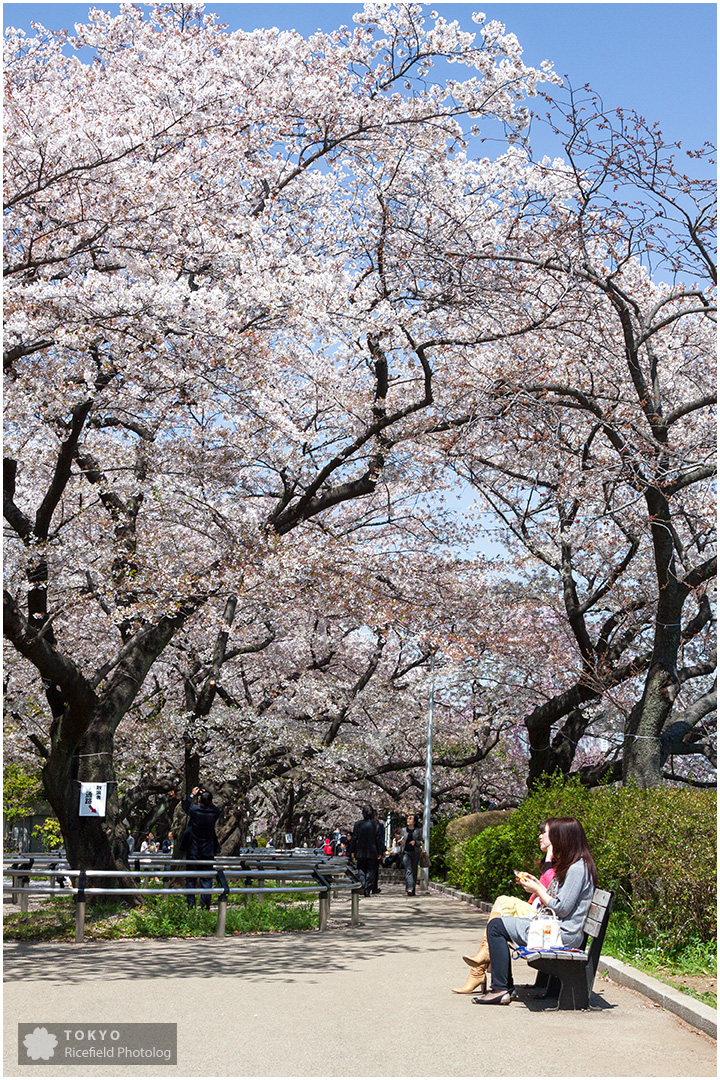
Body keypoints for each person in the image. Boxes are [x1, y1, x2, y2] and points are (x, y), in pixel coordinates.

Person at [473, 817, 598, 1006]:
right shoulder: (574, 865)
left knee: (496, 926)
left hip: (562, 934)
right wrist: (538, 884)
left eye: (551, 835)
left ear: (563, 838)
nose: (545, 838)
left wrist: (538, 890)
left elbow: (562, 909)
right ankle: (503, 987)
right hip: (557, 929)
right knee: (498, 925)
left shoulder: (577, 869)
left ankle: (500, 988)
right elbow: (560, 901)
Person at [452, 818, 555, 994]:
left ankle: (480, 967)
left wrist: (549, 856)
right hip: (537, 909)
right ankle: (481, 965)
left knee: (502, 904)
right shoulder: (556, 861)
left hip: (542, 915)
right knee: (501, 903)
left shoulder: (563, 861)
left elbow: (549, 886)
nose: (540, 836)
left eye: (544, 833)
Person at [181, 786, 221, 910]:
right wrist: (207, 796)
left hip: (193, 849)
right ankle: (205, 907)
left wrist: (192, 795)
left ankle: (191, 906)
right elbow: (215, 808)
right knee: (206, 880)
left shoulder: (195, 811)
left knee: (191, 879)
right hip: (208, 850)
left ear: (199, 801)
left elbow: (184, 806)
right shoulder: (214, 812)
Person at [350, 804, 383, 896]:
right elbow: (378, 839)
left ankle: (362, 882)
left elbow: (354, 839)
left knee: (361, 868)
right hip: (373, 851)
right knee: (371, 870)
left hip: (360, 851)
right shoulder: (376, 825)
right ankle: (367, 889)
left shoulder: (358, 824)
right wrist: (380, 851)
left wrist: (352, 851)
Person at [400, 813, 422, 896]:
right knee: (408, 870)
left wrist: (415, 842)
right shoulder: (403, 830)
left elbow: (421, 841)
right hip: (406, 852)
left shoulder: (417, 831)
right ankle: (409, 889)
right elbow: (400, 841)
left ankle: (413, 889)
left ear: (414, 821)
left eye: (410, 819)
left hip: (415, 853)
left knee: (414, 871)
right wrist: (400, 842)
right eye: (408, 818)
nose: (408, 820)